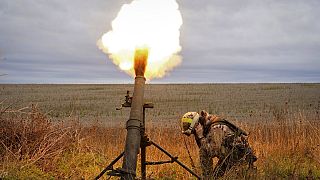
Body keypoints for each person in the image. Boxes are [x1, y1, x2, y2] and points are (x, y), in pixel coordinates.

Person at [181, 111, 257, 179]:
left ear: (198, 125)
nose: (195, 133)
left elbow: (212, 152)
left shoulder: (216, 128)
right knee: (215, 177)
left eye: (194, 131)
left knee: (203, 152)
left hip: (239, 162)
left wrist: (201, 137)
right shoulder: (209, 126)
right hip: (229, 159)